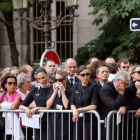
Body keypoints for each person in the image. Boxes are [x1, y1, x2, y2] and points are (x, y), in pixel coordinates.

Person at [19, 67, 52, 140]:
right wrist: (26, 109)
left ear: (47, 76)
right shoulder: (35, 89)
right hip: (39, 121)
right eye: (39, 79)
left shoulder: (53, 88)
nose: (41, 80)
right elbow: (22, 105)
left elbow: (52, 107)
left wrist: (37, 108)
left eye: (43, 77)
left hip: (52, 120)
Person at [98, 70, 131, 140]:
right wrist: (121, 93)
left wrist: (124, 107)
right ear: (118, 80)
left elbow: (129, 103)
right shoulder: (106, 89)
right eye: (125, 84)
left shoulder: (125, 89)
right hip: (109, 123)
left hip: (121, 124)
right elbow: (114, 105)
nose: (126, 87)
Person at [71, 65, 99, 140]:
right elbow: (72, 102)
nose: (85, 77)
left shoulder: (94, 86)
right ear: (78, 76)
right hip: (78, 119)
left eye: (87, 74)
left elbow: (94, 106)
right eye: (83, 75)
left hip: (89, 119)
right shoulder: (76, 86)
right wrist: (74, 110)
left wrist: (78, 110)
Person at [47, 69, 71, 140]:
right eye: (56, 79)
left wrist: (62, 91)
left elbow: (66, 105)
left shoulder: (70, 89)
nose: (58, 82)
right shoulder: (53, 88)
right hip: (54, 121)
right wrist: (55, 92)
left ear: (65, 79)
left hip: (65, 121)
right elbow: (48, 105)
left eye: (60, 80)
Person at [0, 74, 22, 140]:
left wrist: (3, 105)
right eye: (10, 83)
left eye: (14, 83)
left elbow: (14, 106)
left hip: (16, 124)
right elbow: (11, 106)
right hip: (4, 124)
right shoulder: (2, 94)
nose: (12, 85)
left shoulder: (18, 94)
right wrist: (8, 105)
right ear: (5, 85)